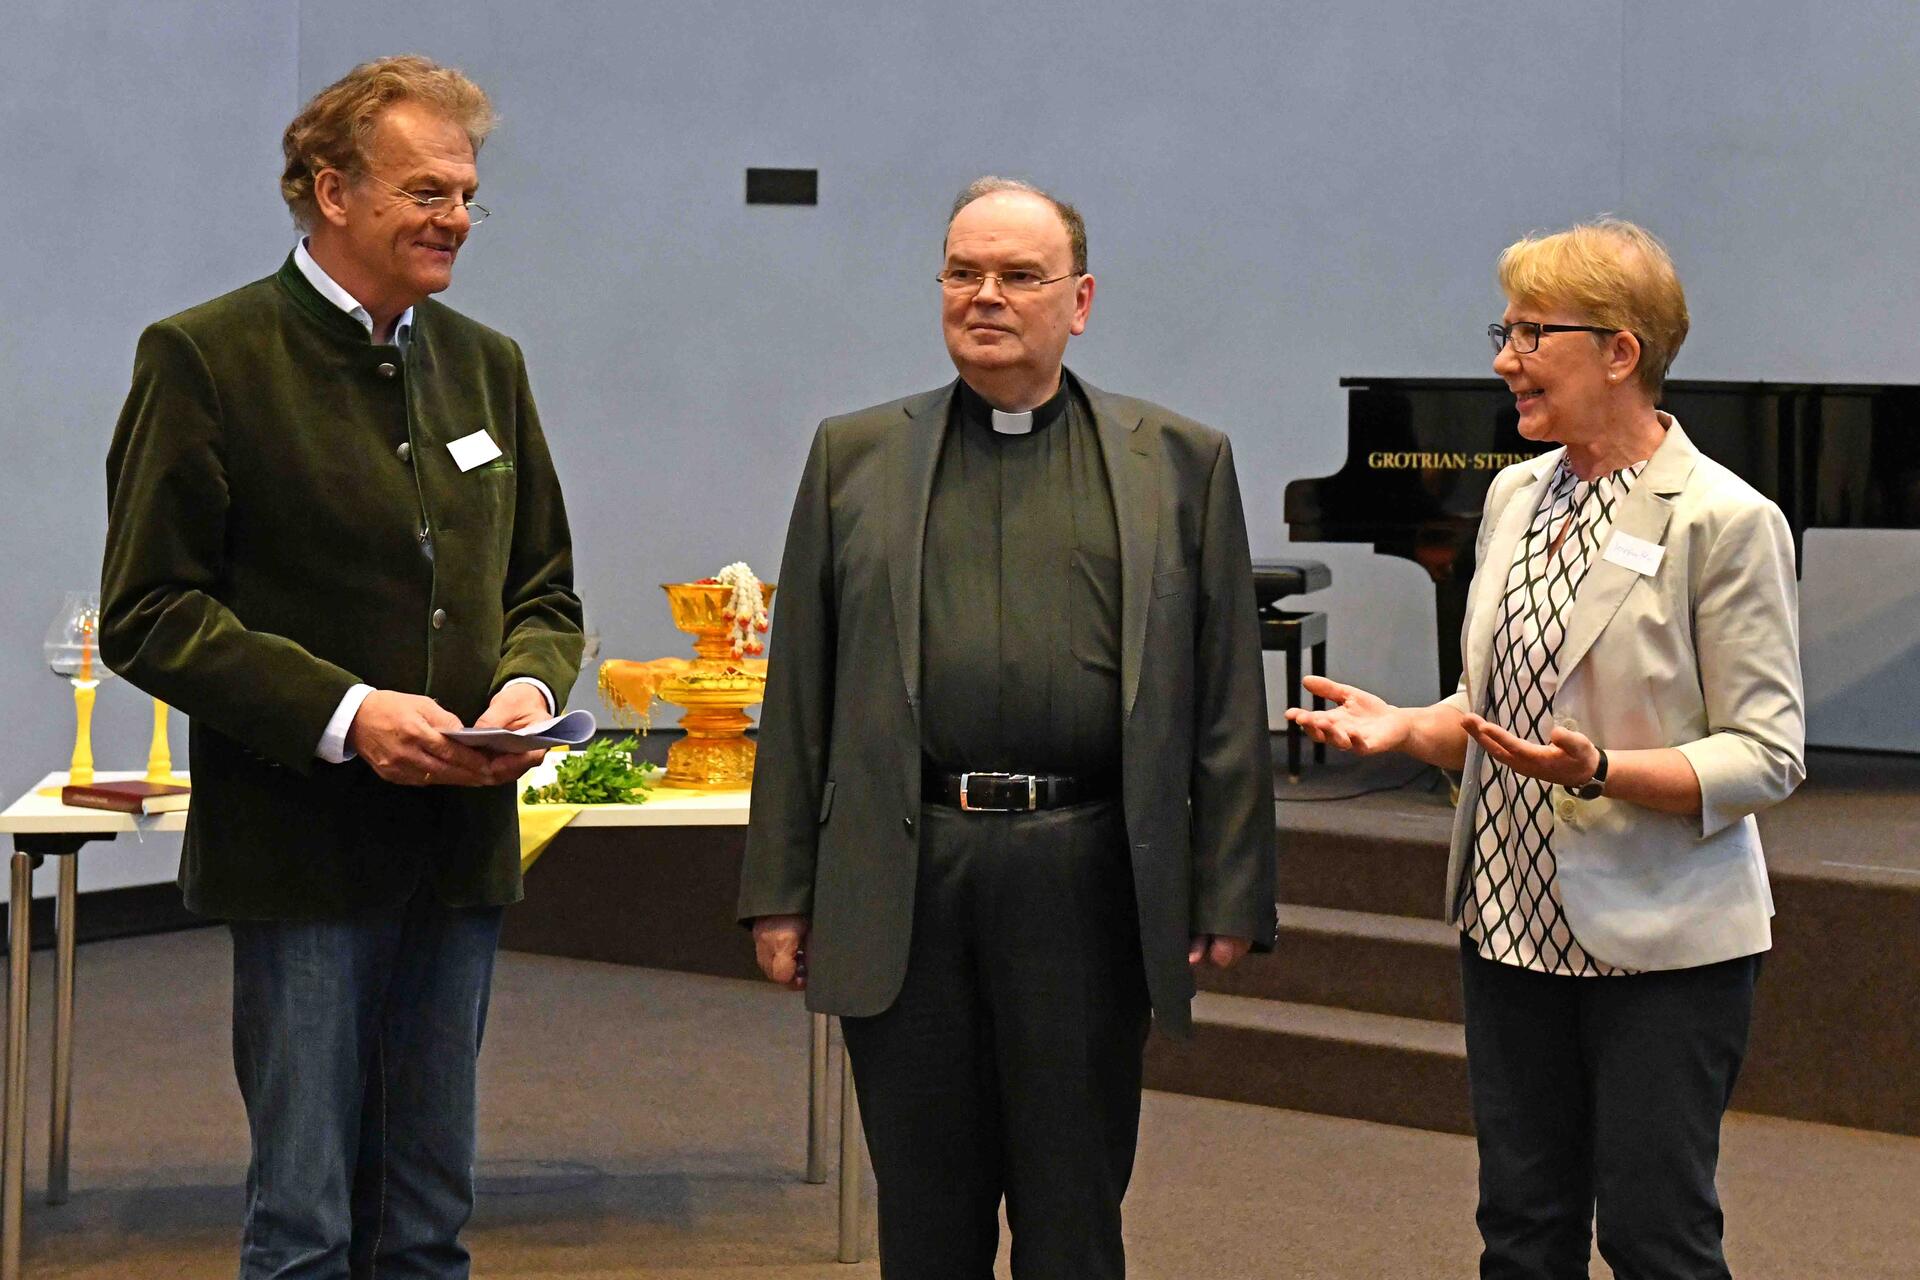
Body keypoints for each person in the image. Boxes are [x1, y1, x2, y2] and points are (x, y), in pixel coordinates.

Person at [739, 176, 1276, 1277]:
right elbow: (800, 691)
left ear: (1080, 301)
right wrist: (780, 888)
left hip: (1085, 872)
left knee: (1073, 1203)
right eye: (963, 271)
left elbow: (1227, 695)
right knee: (924, 1209)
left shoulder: (1180, 462)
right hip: (907, 868)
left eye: (1019, 275)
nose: (985, 295)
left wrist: (1229, 884)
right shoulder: (853, 456)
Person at [99, 56, 582, 1278]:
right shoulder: (207, 356)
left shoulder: (487, 363)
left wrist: (526, 689)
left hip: (457, 852)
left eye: (466, 194)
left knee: (428, 1223)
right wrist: (350, 712)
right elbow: (149, 610)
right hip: (301, 851)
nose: (455, 217)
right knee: (305, 1227)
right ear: (330, 190)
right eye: (426, 191)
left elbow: (544, 588)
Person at [1288, 219, 1804, 1279]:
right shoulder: (1518, 496)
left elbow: (1766, 754)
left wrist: (1603, 772)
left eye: (1531, 333)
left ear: (1620, 351)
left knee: (1656, 1239)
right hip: (1509, 924)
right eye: (1505, 331)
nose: (1504, 360)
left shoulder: (1723, 518)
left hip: (1661, 948)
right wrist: (1406, 726)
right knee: (1522, 1232)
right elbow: (1491, 710)